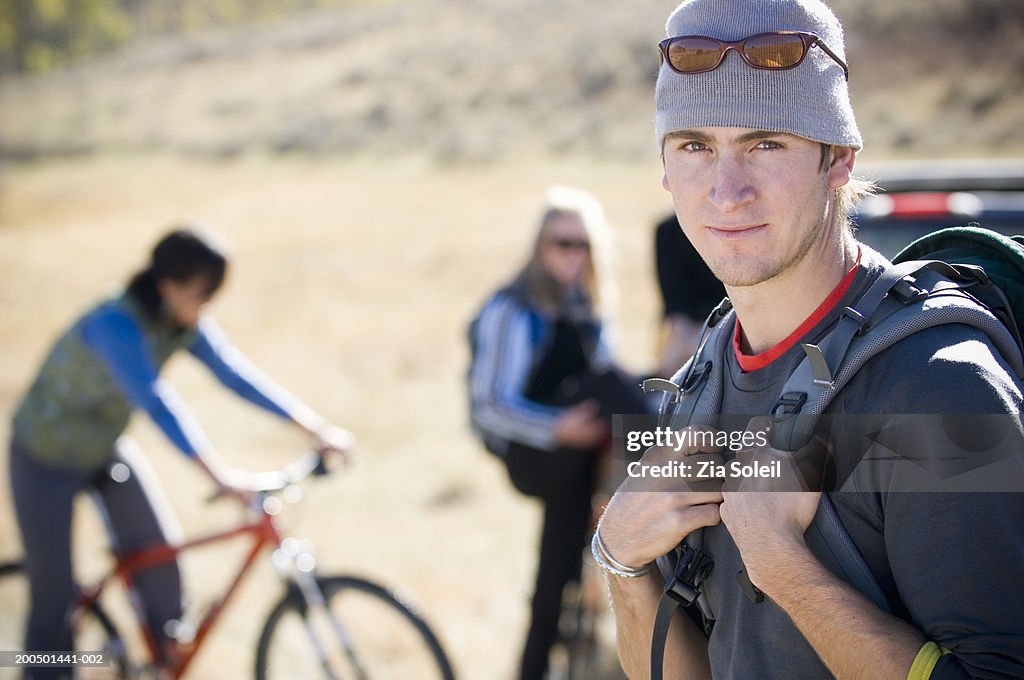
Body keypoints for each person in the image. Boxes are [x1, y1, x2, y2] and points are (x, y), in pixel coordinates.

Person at [595, 1, 1024, 679]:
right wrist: (621, 562)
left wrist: (786, 569)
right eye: (696, 146)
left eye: (767, 143)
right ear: (666, 172)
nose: (726, 191)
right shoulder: (703, 375)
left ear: (839, 160)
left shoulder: (938, 384)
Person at [8, 227, 353, 678]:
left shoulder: (180, 318)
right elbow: (156, 402)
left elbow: (234, 374)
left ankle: (158, 662)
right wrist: (219, 475)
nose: (207, 306)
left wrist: (315, 428)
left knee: (160, 557)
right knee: (54, 599)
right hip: (43, 459)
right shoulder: (114, 324)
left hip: (101, 452)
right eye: (201, 294)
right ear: (168, 286)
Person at [468, 186, 648, 680]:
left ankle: (533, 670)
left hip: (577, 455)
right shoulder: (512, 308)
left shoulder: (586, 304)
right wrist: (558, 428)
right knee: (611, 382)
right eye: (560, 242)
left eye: (581, 243)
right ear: (539, 246)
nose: (572, 254)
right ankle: (689, 466)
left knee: (556, 576)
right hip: (534, 453)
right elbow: (490, 403)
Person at [654, 213, 726, 376]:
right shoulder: (668, 231)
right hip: (692, 328)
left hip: (738, 324)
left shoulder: (736, 226)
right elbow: (676, 310)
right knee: (676, 354)